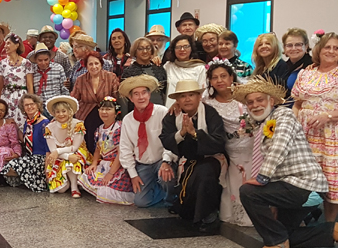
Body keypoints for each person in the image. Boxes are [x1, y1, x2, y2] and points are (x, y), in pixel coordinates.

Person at [234, 77, 338, 248]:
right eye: (250, 102)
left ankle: (276, 243)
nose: (255, 105)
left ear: (272, 101)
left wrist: (262, 178)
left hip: (305, 186)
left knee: (249, 192)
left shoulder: (284, 115)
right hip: (296, 186)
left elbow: (279, 147)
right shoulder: (267, 122)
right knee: (284, 233)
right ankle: (336, 231)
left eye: (260, 99)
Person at [292, 32, 338, 222]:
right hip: (307, 133)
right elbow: (298, 103)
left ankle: (329, 225)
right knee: (303, 176)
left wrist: (328, 116)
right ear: (318, 50)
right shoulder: (306, 73)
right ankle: (302, 215)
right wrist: (293, 123)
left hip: (335, 134)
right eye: (327, 47)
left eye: (336, 48)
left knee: (332, 179)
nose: (331, 51)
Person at [160, 80, 227, 230]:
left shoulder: (210, 113)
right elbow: (166, 139)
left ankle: (205, 214)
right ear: (177, 100)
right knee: (191, 178)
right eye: (183, 96)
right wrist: (182, 133)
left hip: (212, 158)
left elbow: (219, 141)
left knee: (204, 173)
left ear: (199, 97)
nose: (187, 99)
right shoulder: (172, 115)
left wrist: (195, 133)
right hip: (188, 160)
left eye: (191, 95)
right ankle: (192, 211)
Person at [203, 58, 253, 226]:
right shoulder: (207, 103)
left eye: (223, 76)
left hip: (252, 145)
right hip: (229, 149)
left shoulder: (245, 97)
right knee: (233, 180)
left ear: (232, 77)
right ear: (210, 81)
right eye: (215, 77)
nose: (219, 80)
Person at [118, 75, 175, 208]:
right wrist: (133, 174)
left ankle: (171, 193)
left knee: (166, 179)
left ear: (149, 95)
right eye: (136, 94)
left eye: (144, 92)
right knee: (141, 202)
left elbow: (170, 139)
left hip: (161, 160)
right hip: (143, 164)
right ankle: (159, 191)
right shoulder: (128, 119)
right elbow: (125, 148)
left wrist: (166, 161)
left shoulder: (162, 112)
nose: (141, 97)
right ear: (131, 98)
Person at [79, 96, 135, 204]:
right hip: (105, 163)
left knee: (106, 190)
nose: (104, 112)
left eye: (108, 109)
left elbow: (121, 153)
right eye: (102, 109)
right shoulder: (100, 128)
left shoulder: (119, 128)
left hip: (118, 164)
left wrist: (111, 173)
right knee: (85, 176)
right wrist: (94, 164)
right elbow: (98, 149)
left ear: (116, 112)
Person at [71, 52, 120, 153]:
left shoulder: (111, 77)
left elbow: (117, 98)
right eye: (90, 64)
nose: (94, 67)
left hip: (106, 112)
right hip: (86, 113)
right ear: (86, 66)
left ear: (101, 64)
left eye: (96, 63)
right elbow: (73, 99)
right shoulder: (81, 79)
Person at [44, 96, 90, 197]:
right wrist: (66, 156)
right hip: (60, 156)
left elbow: (75, 147)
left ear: (69, 112)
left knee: (72, 160)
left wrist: (63, 153)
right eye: (58, 112)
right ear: (54, 113)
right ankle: (68, 181)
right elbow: (53, 151)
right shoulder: (49, 127)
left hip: (76, 152)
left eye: (64, 111)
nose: (61, 114)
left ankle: (74, 187)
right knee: (61, 189)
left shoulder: (77, 124)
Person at [4, 94, 51, 192]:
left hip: (42, 158)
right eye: (26, 105)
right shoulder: (28, 122)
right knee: (7, 168)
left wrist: (47, 169)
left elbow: (49, 148)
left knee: (11, 168)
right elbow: (24, 140)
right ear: (23, 108)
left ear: (38, 105)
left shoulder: (45, 123)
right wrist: (16, 128)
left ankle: (38, 178)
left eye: (32, 104)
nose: (29, 107)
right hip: (31, 156)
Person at [0, 33, 33, 129]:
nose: (5, 46)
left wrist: (31, 102)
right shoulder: (2, 63)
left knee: (22, 125)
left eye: (8, 43)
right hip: (6, 97)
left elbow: (30, 85)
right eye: (5, 44)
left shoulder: (26, 63)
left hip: (21, 97)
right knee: (7, 126)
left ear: (16, 45)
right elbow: (0, 86)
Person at [162, 35, 206, 109]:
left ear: (191, 48)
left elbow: (203, 92)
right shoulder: (168, 66)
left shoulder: (200, 68)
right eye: (178, 47)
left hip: (192, 109)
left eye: (186, 46)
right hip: (170, 109)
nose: (182, 50)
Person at [122, 37, 167, 106]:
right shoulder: (128, 72)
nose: (145, 51)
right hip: (137, 111)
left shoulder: (159, 69)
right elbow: (124, 98)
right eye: (140, 49)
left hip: (159, 110)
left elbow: (164, 91)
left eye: (148, 48)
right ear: (135, 51)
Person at [271, 28, 313, 100]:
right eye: (289, 45)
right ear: (284, 48)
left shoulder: (314, 66)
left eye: (298, 45)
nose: (293, 48)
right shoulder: (282, 67)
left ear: (306, 46)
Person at [29, 43, 69, 107]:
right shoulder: (32, 71)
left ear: (50, 58)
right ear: (35, 60)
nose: (43, 63)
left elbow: (64, 89)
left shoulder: (58, 68)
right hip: (40, 106)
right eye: (40, 60)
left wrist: (65, 104)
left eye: (46, 60)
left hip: (56, 105)